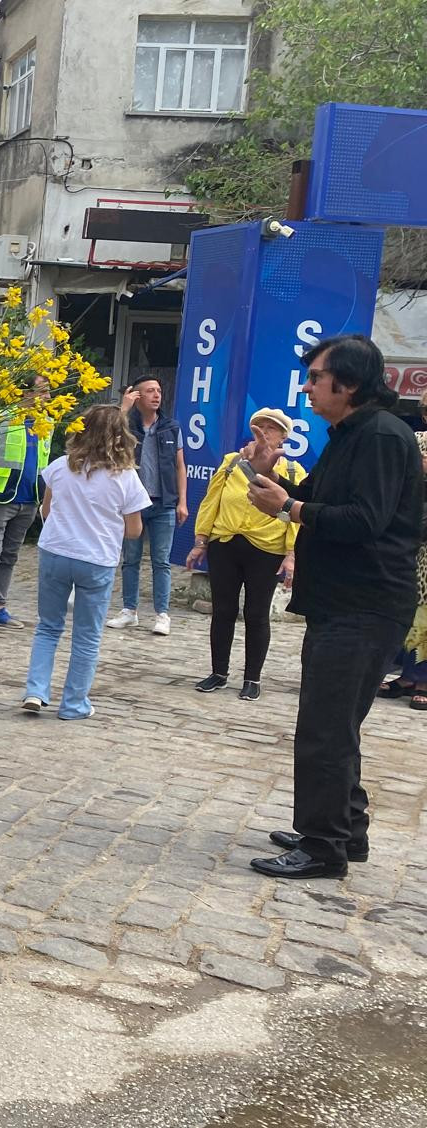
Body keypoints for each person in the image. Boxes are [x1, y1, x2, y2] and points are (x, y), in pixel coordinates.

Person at [242, 334, 423, 880]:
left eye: (316, 377)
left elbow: (365, 520)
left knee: (324, 729)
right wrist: (269, 477)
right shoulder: (348, 433)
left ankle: (323, 848)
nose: (307, 387)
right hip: (340, 601)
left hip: (366, 604)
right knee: (335, 724)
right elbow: (313, 502)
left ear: (348, 383)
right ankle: (346, 828)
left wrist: (290, 508)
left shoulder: (382, 436)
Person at [21, 405, 150, 719]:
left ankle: (36, 690)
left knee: (48, 626)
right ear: (121, 436)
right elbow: (134, 531)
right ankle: (73, 704)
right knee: (87, 635)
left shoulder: (60, 466)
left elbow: (47, 511)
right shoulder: (126, 477)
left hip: (56, 550)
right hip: (96, 558)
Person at [185, 407, 307, 701]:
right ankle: (219, 672)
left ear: (283, 437)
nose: (264, 432)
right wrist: (201, 540)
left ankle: (252, 678)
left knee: (256, 614)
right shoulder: (231, 463)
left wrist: (291, 554)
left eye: (272, 428)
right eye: (259, 427)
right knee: (223, 610)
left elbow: (296, 516)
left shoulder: (292, 472)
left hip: (267, 548)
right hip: (225, 543)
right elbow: (211, 501)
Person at [0, 377, 50, 634]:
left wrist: (44, 496)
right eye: (43, 391)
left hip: (29, 500)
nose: (48, 397)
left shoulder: (46, 422)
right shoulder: (3, 419)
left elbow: (44, 463)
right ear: (26, 393)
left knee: (10, 555)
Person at [108, 375, 188, 635]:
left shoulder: (171, 427)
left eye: (159, 391)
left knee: (161, 561)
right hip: (133, 503)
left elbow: (180, 466)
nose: (156, 395)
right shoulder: (126, 425)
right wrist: (123, 409)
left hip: (163, 502)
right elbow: (107, 442)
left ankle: (162, 614)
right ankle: (129, 610)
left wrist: (182, 501)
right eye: (150, 391)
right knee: (130, 559)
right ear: (137, 396)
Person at [377, 398, 427, 710]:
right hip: (411, 535)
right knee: (411, 607)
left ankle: (424, 679)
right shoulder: (415, 439)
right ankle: (409, 675)